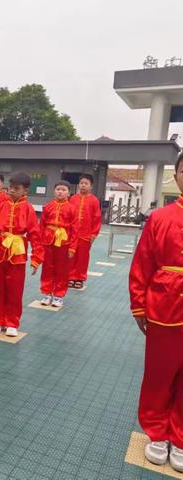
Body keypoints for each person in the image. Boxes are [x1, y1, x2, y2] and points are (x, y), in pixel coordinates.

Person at [128, 152, 183, 473]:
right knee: (159, 375)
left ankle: (180, 434)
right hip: (164, 305)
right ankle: (158, 433)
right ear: (176, 175)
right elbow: (142, 263)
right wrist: (139, 304)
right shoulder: (161, 217)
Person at [0, 172, 44, 336]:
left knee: (15, 290)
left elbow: (35, 234)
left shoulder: (28, 209)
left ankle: (12, 323)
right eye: (10, 188)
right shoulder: (3, 205)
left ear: (25, 191)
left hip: (17, 253)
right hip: (0, 251)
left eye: (16, 189)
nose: (12, 191)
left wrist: (37, 257)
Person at [39, 180, 77, 308]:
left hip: (64, 241)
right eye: (58, 189)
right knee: (47, 267)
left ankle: (59, 295)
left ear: (69, 193)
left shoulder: (72, 208)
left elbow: (75, 229)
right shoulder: (48, 206)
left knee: (62, 269)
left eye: (64, 190)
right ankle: (47, 292)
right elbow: (42, 225)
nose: (60, 192)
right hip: (48, 241)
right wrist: (40, 243)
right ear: (54, 191)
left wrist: (72, 247)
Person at [68, 174, 101, 289]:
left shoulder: (94, 200)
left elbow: (97, 218)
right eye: (81, 183)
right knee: (71, 255)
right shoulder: (73, 198)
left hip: (86, 235)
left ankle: (80, 278)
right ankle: (71, 276)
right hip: (72, 234)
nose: (83, 185)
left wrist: (93, 234)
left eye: (86, 183)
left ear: (91, 186)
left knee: (83, 257)